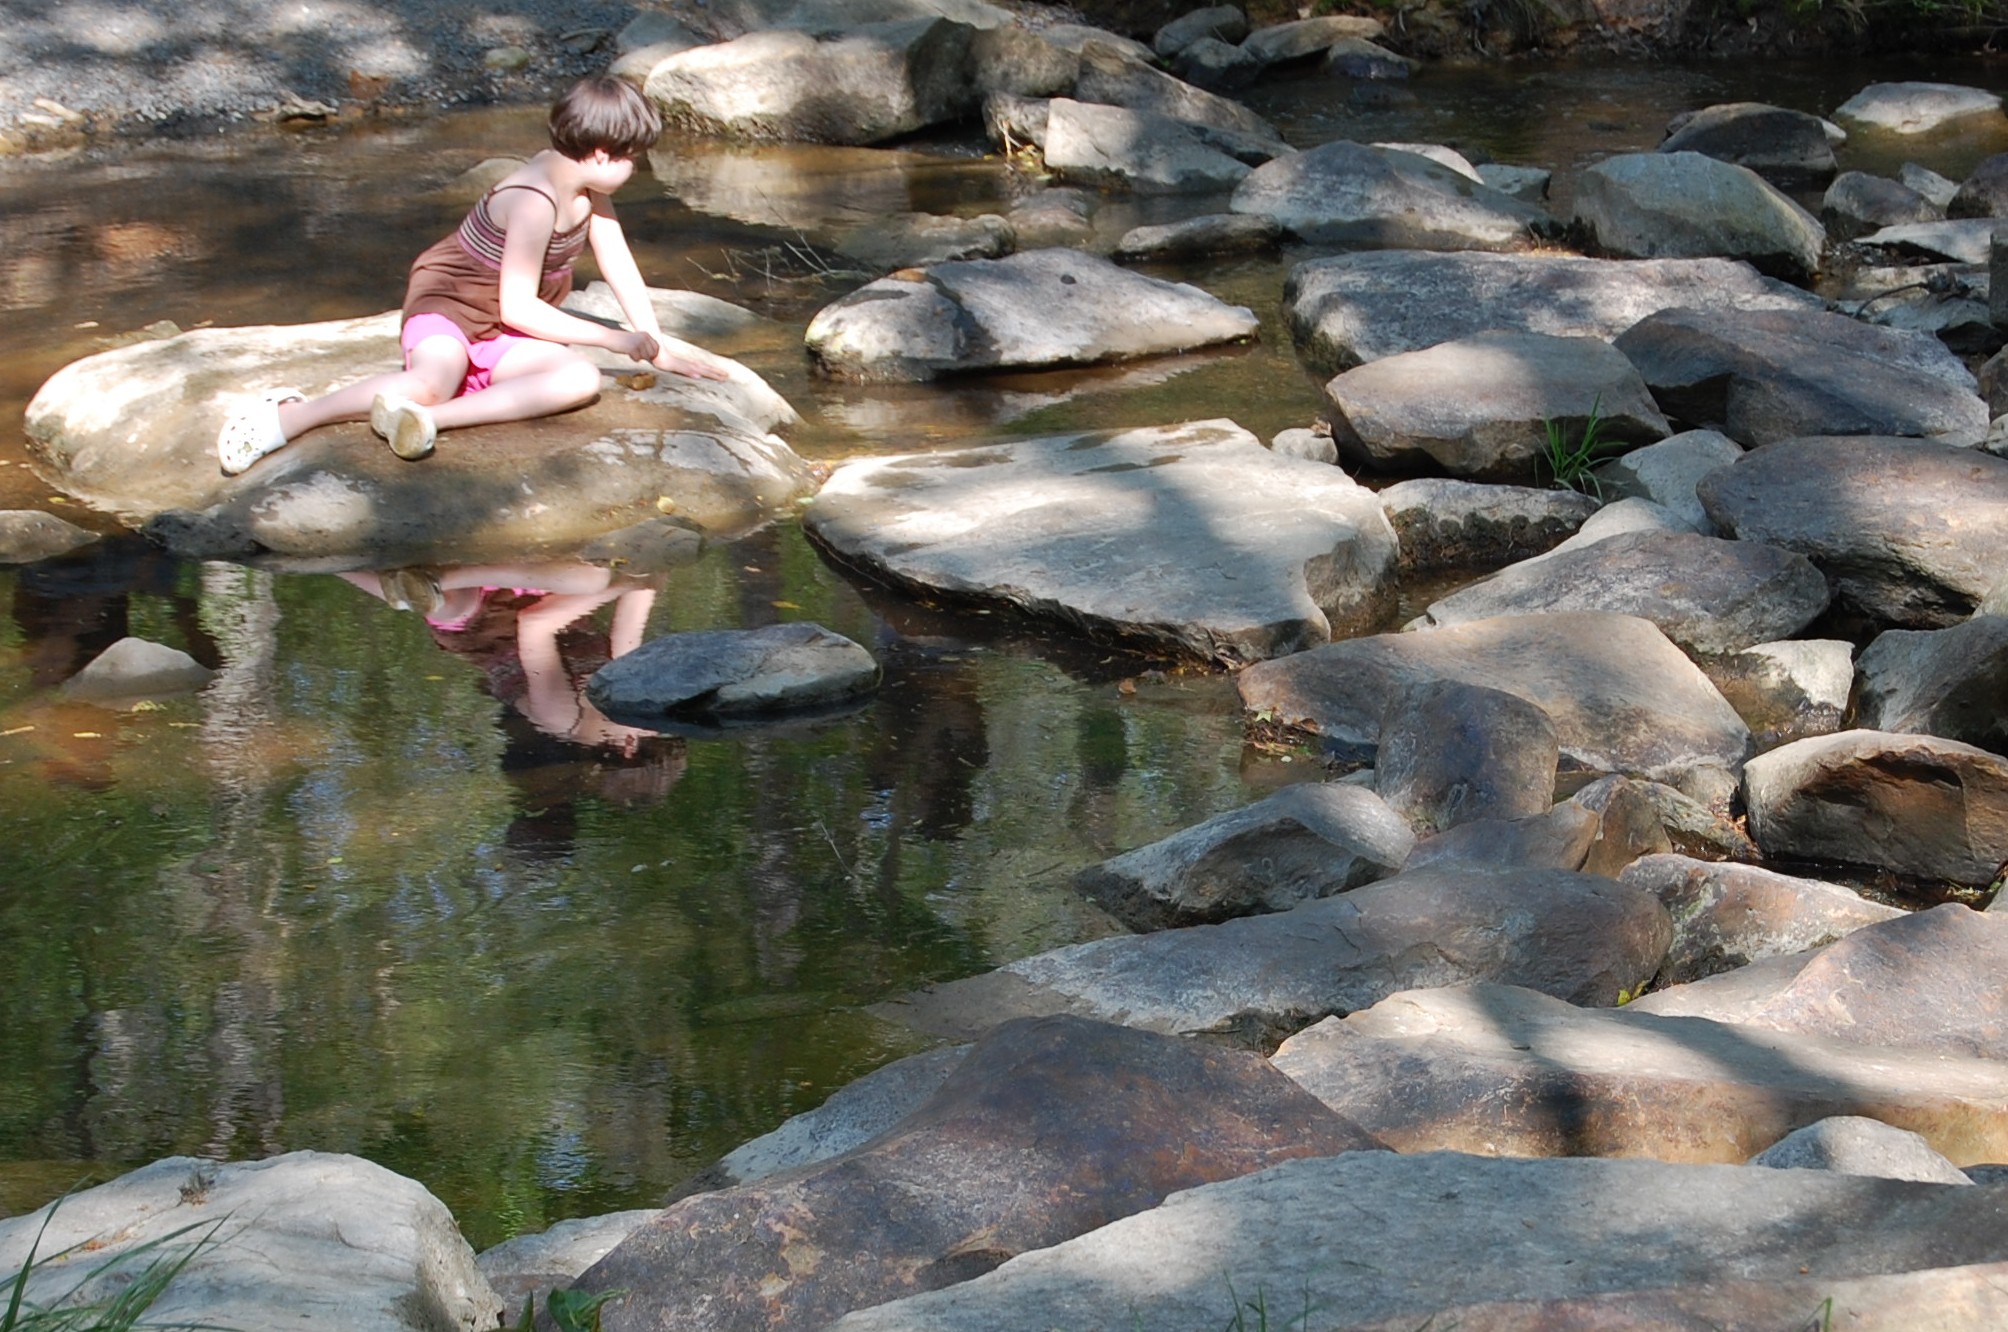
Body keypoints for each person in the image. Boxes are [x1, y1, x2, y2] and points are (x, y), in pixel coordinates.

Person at [216, 74, 729, 475]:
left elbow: (616, 259)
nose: (634, 169)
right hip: (452, 307)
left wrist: (654, 342)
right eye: (631, 160)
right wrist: (616, 339)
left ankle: (422, 422)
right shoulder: (534, 199)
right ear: (599, 153)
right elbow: (519, 307)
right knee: (432, 379)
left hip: (503, 332)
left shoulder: (587, 185)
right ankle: (290, 417)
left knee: (579, 378)